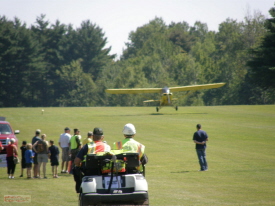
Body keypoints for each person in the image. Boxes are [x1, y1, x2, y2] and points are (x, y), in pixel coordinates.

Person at [73, 127, 110, 193]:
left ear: (93, 136)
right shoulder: (107, 146)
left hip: (89, 173)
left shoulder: (87, 146)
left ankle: (79, 189)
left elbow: (76, 162)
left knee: (75, 169)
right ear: (102, 137)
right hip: (104, 173)